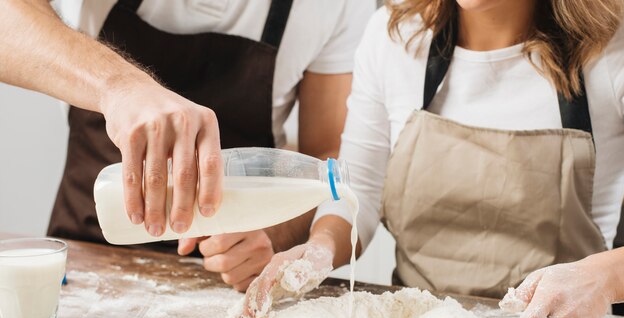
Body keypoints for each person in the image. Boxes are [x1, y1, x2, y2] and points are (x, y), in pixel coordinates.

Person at [238, 0, 624, 318]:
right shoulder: (395, 37)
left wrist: (603, 278)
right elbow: (360, 189)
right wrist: (321, 245)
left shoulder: (613, 47)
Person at [0, 0, 374, 291]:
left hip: (224, 287)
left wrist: (273, 234)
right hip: (86, 264)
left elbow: (325, 155)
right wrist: (118, 86)